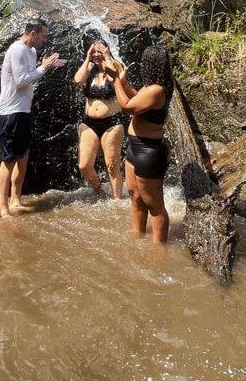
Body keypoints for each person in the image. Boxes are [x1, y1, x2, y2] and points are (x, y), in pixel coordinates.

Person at [0, 19, 64, 217]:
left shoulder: (32, 52)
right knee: (8, 159)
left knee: (23, 156)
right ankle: (3, 208)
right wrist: (44, 68)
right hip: (9, 112)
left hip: (23, 111)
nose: (45, 39)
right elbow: (21, 81)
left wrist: (44, 65)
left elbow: (30, 74)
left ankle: (16, 200)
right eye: (43, 36)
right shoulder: (16, 49)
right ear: (32, 33)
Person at [104, 45, 173, 243]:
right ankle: (137, 237)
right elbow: (135, 97)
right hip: (135, 147)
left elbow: (127, 107)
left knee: (154, 205)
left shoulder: (158, 90)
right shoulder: (150, 87)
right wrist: (124, 82)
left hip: (149, 151)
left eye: (145, 62)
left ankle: (160, 249)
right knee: (135, 195)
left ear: (151, 65)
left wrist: (116, 79)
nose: (143, 64)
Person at [73, 41, 125, 200]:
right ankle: (99, 191)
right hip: (89, 123)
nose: (96, 54)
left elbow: (117, 78)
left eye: (99, 51)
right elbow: (77, 80)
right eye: (93, 51)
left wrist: (108, 56)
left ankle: (117, 200)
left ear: (107, 51)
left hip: (112, 123)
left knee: (111, 165)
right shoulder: (89, 70)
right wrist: (87, 58)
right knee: (84, 165)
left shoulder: (116, 66)